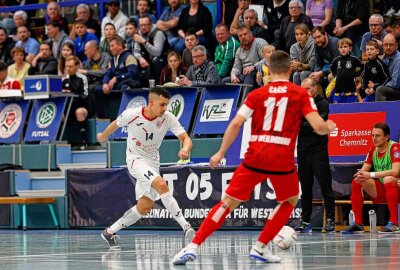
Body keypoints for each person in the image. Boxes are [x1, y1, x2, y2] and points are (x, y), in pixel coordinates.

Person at [172, 50, 336, 265]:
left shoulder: (257, 94)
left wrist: (220, 152)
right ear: (289, 70)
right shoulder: (301, 93)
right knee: (289, 200)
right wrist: (328, 126)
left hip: (255, 156)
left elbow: (236, 124)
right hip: (281, 158)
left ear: (270, 69)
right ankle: (260, 246)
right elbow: (318, 126)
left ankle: (192, 246)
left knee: (227, 202)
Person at [98, 86, 196, 249]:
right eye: (162, 104)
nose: (165, 109)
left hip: (153, 162)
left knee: (143, 207)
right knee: (161, 184)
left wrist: (185, 148)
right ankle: (186, 227)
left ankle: (109, 232)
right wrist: (103, 135)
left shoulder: (168, 117)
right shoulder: (132, 114)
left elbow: (186, 138)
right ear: (151, 102)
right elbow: (115, 124)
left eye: (167, 105)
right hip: (135, 159)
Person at [342, 123, 400, 234]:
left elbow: (396, 172)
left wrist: (371, 175)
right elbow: (363, 172)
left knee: (388, 178)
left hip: (396, 187)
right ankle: (358, 223)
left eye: (377, 136)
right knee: (358, 180)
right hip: (383, 190)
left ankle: (394, 223)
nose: (374, 138)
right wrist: (362, 175)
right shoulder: (373, 150)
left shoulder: (395, 147)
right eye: (372, 135)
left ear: (386, 137)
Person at [295, 78, 335, 233]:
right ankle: (305, 220)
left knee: (326, 187)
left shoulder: (323, 103)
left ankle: (330, 219)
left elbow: (318, 125)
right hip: (303, 151)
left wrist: (305, 125)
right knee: (305, 189)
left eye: (307, 89)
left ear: (314, 88)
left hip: (319, 151)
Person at [95, 36, 140, 118]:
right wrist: (105, 83)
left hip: (128, 82)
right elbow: (108, 73)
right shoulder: (112, 60)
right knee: (98, 89)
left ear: (120, 46)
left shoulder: (129, 56)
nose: (110, 48)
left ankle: (126, 117)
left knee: (124, 87)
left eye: (112, 46)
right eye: (109, 46)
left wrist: (116, 78)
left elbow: (132, 73)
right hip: (115, 84)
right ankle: (102, 119)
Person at [62, 56, 90, 150]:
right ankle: (63, 141)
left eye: (70, 66)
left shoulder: (82, 78)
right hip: (68, 108)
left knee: (79, 112)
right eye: (66, 66)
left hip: (81, 106)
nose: (68, 69)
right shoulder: (64, 79)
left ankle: (84, 142)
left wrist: (73, 95)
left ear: (77, 66)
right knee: (59, 115)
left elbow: (85, 95)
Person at [133, 16, 169, 85]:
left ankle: (159, 86)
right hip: (147, 59)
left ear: (150, 24)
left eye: (145, 25)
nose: (143, 27)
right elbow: (136, 51)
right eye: (141, 25)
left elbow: (157, 53)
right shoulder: (139, 34)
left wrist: (144, 42)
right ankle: (137, 86)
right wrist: (140, 58)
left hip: (163, 59)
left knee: (157, 61)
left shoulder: (158, 33)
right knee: (133, 60)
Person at [328, 38, 363, 103]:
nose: (343, 49)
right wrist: (336, 75)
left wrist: (356, 74)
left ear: (350, 48)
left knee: (351, 109)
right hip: (339, 91)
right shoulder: (337, 60)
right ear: (338, 49)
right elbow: (331, 68)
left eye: (345, 47)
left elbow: (362, 67)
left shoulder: (354, 59)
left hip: (351, 91)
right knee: (338, 110)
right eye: (341, 47)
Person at [376, 34, 400, 101]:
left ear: (396, 46)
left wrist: (377, 86)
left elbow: (395, 84)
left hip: (397, 90)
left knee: (380, 90)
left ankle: (381, 111)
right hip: (389, 89)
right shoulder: (384, 58)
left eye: (391, 44)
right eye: (386, 45)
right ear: (382, 46)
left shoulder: (398, 59)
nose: (388, 47)